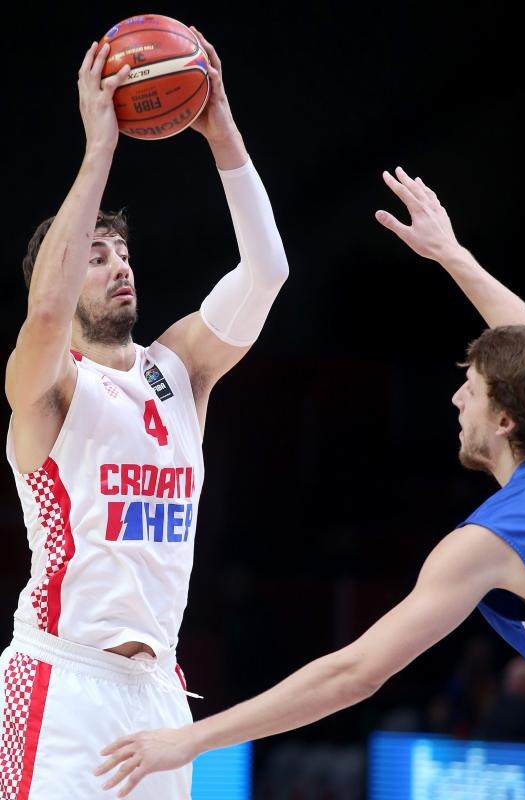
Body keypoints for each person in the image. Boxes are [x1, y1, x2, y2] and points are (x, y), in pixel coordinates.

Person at [96, 166, 525, 798]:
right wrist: (451, 255)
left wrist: (191, 738)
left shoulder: (490, 541)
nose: (453, 399)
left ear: (504, 420)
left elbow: (354, 673)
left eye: (469, 390)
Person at [0, 25, 288, 800]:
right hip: (64, 676)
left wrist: (219, 125)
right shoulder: (47, 386)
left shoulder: (179, 369)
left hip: (161, 693)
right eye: (95, 254)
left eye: (121, 250)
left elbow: (267, 271)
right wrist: (99, 149)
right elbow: (46, 314)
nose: (118, 262)